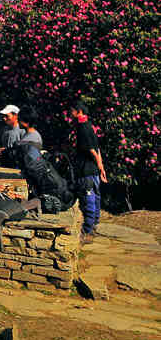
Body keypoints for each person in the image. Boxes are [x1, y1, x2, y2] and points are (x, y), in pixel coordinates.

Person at [70, 102, 106, 241]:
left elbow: (92, 149)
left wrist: (100, 165)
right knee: (95, 197)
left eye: (72, 110)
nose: (70, 113)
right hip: (94, 170)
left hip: (87, 170)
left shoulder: (83, 128)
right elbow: (97, 148)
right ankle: (94, 224)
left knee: (89, 198)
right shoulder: (89, 125)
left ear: (78, 111)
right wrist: (101, 166)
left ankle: (87, 230)